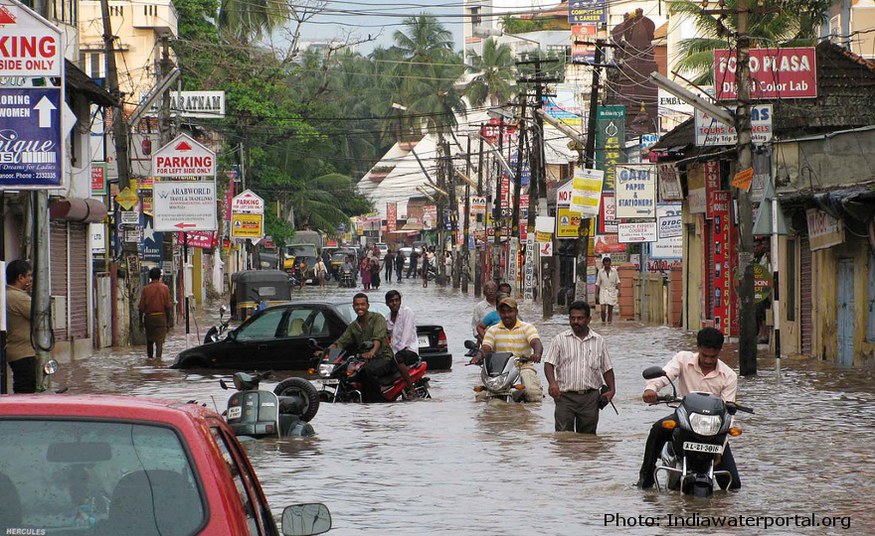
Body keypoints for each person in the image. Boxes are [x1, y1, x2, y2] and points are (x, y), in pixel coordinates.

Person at [636, 327, 741, 489]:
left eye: (712, 357)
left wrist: (719, 450)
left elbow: (729, 413)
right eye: (704, 355)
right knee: (657, 429)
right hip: (683, 420)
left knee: (733, 485)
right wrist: (651, 389)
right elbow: (665, 375)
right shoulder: (682, 359)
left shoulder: (729, 376)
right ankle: (646, 479)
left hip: (713, 430)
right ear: (698, 348)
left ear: (720, 352)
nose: (707, 360)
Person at [543, 301, 615, 434]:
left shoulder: (599, 341)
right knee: (563, 438)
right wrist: (552, 384)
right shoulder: (559, 340)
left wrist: (612, 390)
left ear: (588, 319)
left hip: (590, 398)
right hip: (564, 397)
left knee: (588, 440)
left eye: (580, 318)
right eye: (572, 318)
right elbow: (548, 363)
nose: (576, 321)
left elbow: (607, 368)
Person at [321, 293, 395, 402]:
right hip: (364, 361)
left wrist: (372, 352)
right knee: (346, 375)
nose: (360, 307)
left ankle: (377, 402)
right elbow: (341, 342)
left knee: (367, 372)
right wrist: (325, 352)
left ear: (367, 306)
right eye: (357, 305)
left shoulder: (377, 318)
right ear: (353, 307)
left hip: (383, 358)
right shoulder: (353, 326)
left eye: (362, 304)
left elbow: (378, 338)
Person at [472, 297, 544, 401]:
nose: (506, 315)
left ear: (516, 311)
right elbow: (485, 348)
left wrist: (537, 354)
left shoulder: (527, 328)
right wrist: (478, 356)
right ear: (499, 313)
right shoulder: (493, 330)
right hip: (500, 371)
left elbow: (536, 342)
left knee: (532, 393)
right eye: (503, 312)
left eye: (510, 311)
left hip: (523, 367)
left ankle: (528, 416)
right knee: (480, 397)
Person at [5, 260, 36, 393]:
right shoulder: (18, 298)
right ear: (20, 277)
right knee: (26, 389)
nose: (30, 279)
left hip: (16, 352)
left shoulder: (7, 295)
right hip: (24, 353)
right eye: (29, 275)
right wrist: (35, 295)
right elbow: (40, 317)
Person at [384, 290, 419, 398]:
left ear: (400, 301)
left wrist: (396, 352)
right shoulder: (387, 318)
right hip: (395, 351)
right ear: (387, 303)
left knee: (397, 358)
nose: (394, 303)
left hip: (409, 350)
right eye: (391, 301)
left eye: (396, 300)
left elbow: (406, 335)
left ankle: (411, 388)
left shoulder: (407, 312)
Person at [138, 267, 173, 360]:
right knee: (159, 342)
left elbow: (141, 308)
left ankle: (150, 359)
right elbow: (168, 307)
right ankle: (158, 361)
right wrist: (168, 322)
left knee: (149, 341)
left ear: (150, 277)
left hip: (149, 318)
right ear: (159, 276)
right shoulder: (165, 288)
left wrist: (140, 322)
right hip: (161, 318)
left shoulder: (146, 289)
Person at [596, 256, 621, 323]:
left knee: (610, 310)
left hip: (612, 291)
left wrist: (619, 291)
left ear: (610, 263)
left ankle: (609, 323)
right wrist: (596, 294)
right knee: (603, 309)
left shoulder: (614, 271)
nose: (607, 264)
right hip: (603, 291)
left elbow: (618, 281)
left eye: (608, 263)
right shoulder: (600, 272)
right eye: (605, 263)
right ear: (603, 264)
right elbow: (597, 283)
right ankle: (603, 322)